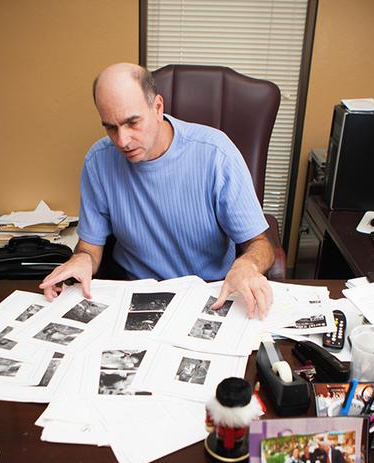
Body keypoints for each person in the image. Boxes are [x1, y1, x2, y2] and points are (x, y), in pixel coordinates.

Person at [39, 63, 275, 318]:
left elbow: (260, 244)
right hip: (134, 297)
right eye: (110, 127)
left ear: (158, 107)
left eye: (132, 122)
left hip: (210, 295)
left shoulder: (216, 153)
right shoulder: (98, 161)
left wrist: (247, 265)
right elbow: (90, 249)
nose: (122, 140)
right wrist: (81, 260)